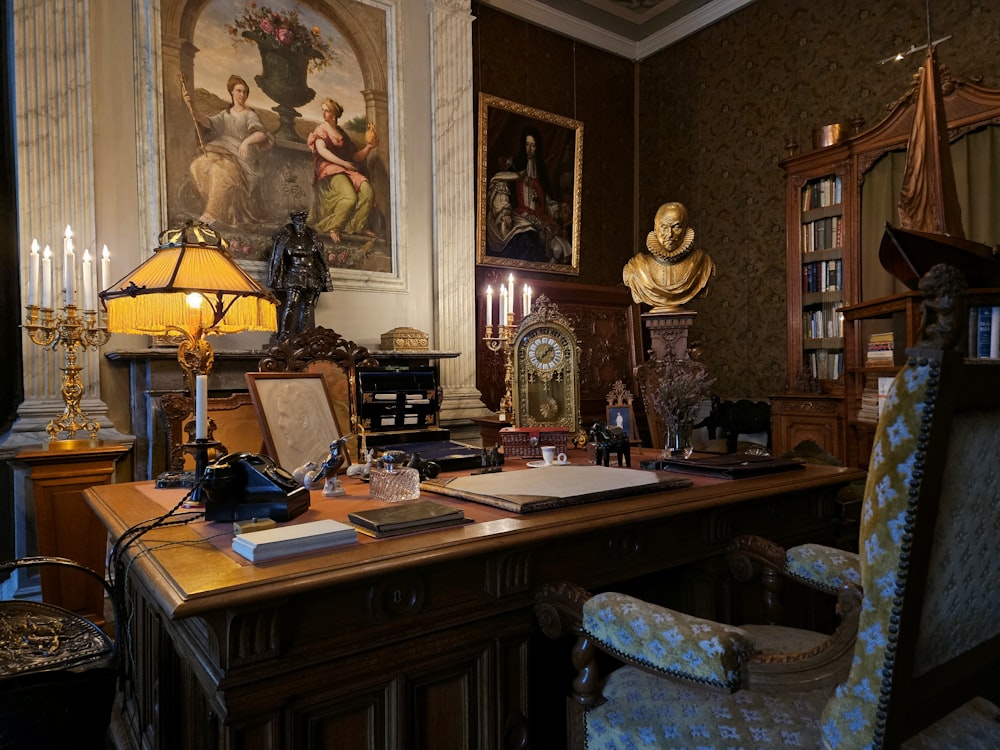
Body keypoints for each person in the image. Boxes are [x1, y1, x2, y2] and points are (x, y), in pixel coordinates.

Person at [184, 74, 274, 226]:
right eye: (239, 91)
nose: (242, 95)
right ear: (232, 92)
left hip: (241, 157)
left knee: (220, 172)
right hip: (222, 149)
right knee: (199, 164)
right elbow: (207, 122)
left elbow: (261, 134)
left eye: (245, 92)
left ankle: (212, 213)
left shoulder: (249, 114)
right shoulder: (225, 114)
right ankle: (216, 206)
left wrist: (246, 141)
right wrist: (191, 107)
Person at [485, 127, 571, 263]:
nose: (530, 149)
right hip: (520, 216)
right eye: (527, 144)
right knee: (529, 240)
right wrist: (504, 211)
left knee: (559, 249)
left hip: (539, 218)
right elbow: (500, 184)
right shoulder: (514, 167)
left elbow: (546, 201)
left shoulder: (541, 173)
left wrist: (558, 208)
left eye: (533, 145)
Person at [307, 97, 379, 244]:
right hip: (329, 169)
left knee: (367, 191)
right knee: (350, 197)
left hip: (344, 168)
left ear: (334, 114)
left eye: (327, 110)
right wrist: (343, 164)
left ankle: (356, 226)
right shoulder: (321, 129)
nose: (324, 113)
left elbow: (355, 157)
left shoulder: (341, 133)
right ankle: (334, 226)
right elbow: (322, 151)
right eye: (323, 110)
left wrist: (368, 147)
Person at [622, 201, 716, 311]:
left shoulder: (701, 263)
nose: (670, 234)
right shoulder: (636, 267)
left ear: (685, 229)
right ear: (655, 228)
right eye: (664, 227)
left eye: (676, 227)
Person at [268, 210, 332, 338]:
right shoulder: (288, 237)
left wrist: (324, 273)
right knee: (291, 303)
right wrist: (308, 251)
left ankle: (303, 335)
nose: (301, 225)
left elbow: (318, 258)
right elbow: (290, 251)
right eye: (298, 222)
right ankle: (284, 334)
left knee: (308, 306)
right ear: (294, 223)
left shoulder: (312, 238)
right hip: (295, 274)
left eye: (303, 223)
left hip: (310, 275)